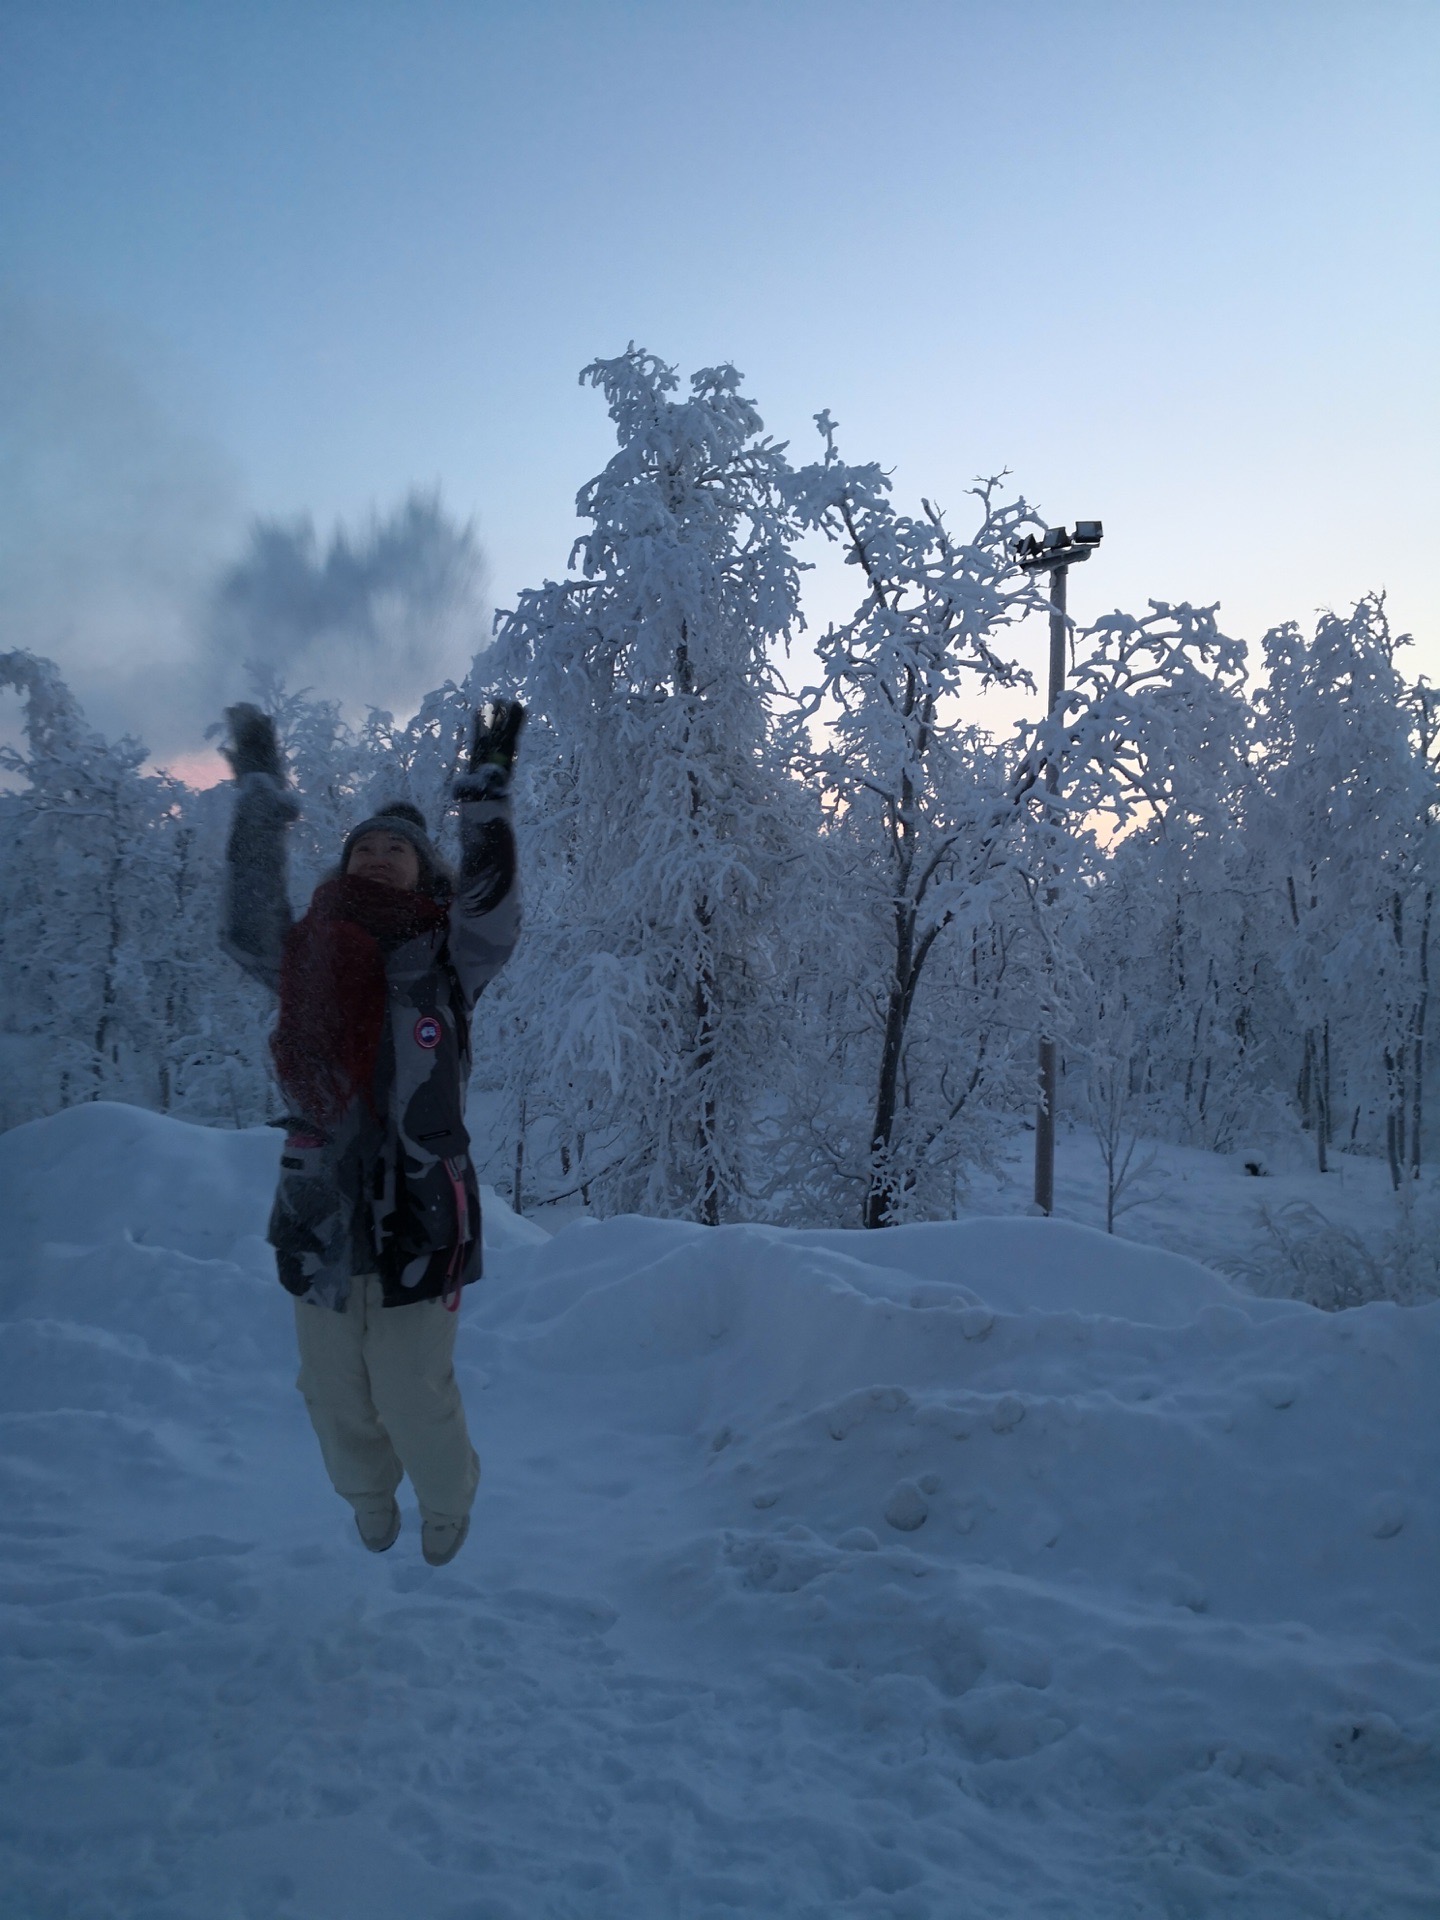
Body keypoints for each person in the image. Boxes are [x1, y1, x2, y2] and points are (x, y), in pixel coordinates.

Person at [219, 700, 523, 1565]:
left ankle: (446, 1499)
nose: (377, 853)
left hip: (423, 1201)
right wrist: (257, 800)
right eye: (363, 846)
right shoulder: (308, 951)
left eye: (397, 847)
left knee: (411, 1385)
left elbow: (494, 909)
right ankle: (364, 1493)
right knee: (331, 1387)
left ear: (425, 870)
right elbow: (245, 924)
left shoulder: (446, 956)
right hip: (318, 1199)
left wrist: (487, 802)